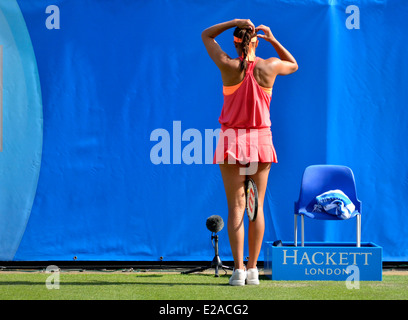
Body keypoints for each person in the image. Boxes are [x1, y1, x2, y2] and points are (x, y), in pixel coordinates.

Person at [201, 19, 298, 285]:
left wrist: (235, 21)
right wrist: (274, 40)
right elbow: (293, 64)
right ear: (256, 42)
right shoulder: (269, 66)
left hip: (231, 142)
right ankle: (253, 271)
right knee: (255, 208)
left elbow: (206, 35)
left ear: (235, 43)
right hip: (260, 143)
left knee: (236, 207)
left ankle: (239, 271)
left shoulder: (228, 65)